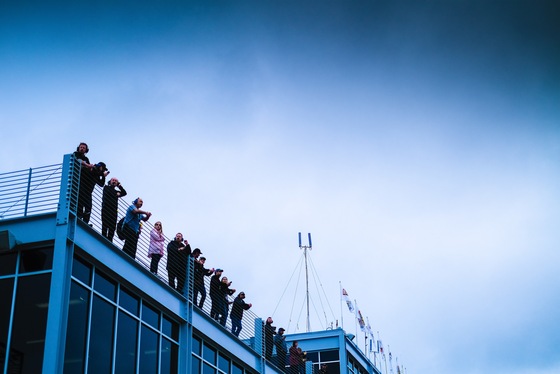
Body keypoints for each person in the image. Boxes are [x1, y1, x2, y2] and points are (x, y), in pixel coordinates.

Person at [79, 160, 109, 224]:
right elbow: (93, 172)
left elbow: (101, 184)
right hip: (83, 189)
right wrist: (102, 174)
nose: (103, 171)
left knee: (88, 207)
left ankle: (85, 222)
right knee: (81, 204)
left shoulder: (97, 174)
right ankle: (79, 216)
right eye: (103, 169)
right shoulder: (92, 168)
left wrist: (103, 176)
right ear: (101, 167)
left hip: (88, 192)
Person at [73, 142, 94, 222]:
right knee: (80, 198)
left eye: (83, 148)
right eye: (81, 147)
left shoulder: (86, 159)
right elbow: (78, 160)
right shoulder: (75, 154)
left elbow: (89, 168)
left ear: (86, 150)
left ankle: (85, 219)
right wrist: (88, 165)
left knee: (85, 200)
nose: (81, 148)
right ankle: (79, 214)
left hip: (84, 180)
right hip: (77, 178)